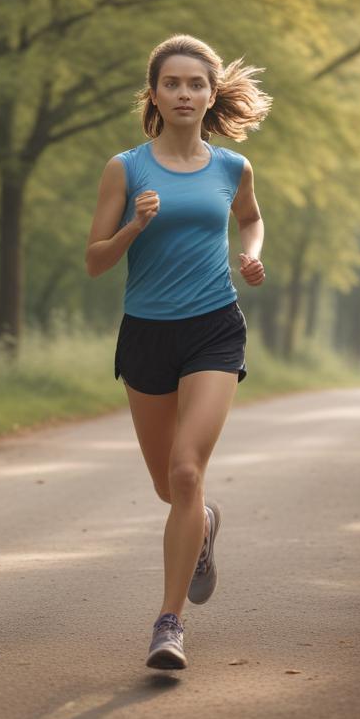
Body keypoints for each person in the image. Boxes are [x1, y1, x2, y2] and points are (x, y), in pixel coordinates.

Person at [84, 34, 271, 669]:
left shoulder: (233, 168)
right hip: (146, 334)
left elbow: (250, 217)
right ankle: (204, 524)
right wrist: (134, 226)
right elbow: (94, 261)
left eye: (196, 84)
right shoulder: (126, 168)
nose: (184, 93)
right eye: (173, 84)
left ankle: (169, 623)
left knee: (187, 471)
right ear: (155, 95)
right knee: (171, 489)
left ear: (211, 95)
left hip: (214, 328)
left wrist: (252, 254)